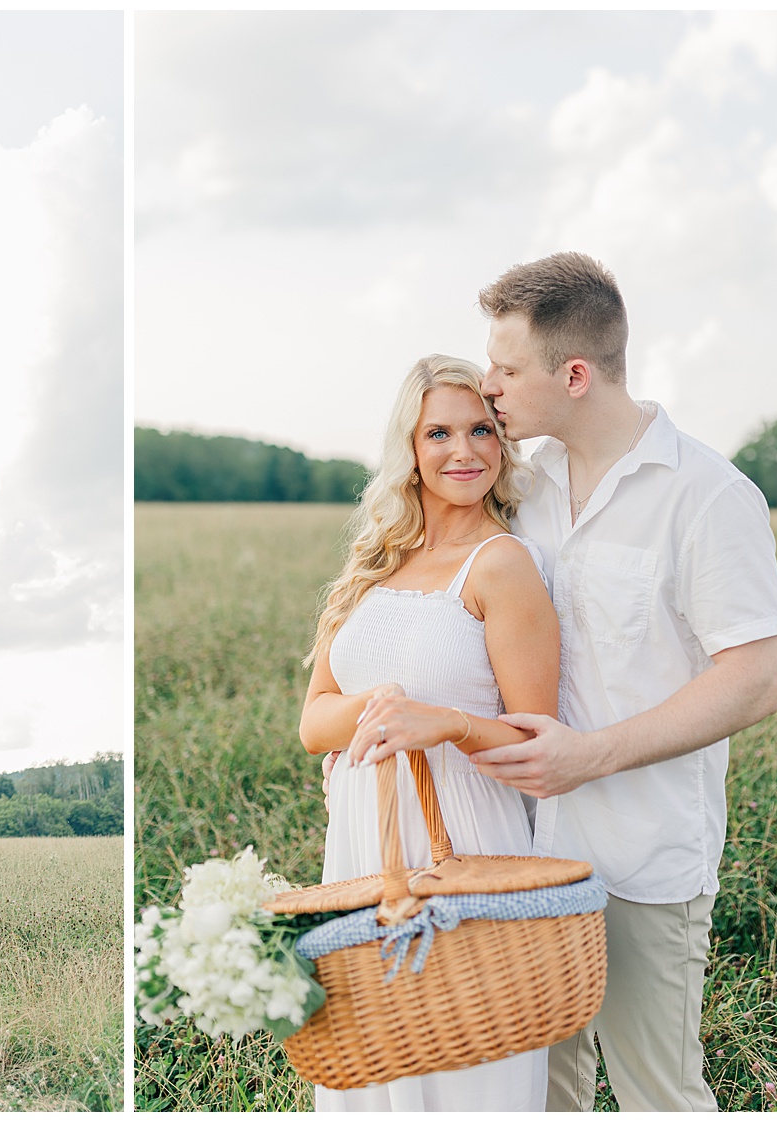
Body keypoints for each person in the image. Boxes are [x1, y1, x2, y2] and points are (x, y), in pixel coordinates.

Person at [469, 252, 777, 1111]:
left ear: (573, 374)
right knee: (542, 1093)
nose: (486, 386)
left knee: (658, 1097)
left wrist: (593, 757)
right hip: (527, 857)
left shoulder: (709, 496)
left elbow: (757, 680)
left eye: (504, 368)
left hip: (646, 863)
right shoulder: (522, 490)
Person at [299, 353, 562, 1112]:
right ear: (409, 450)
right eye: (439, 432)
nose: (465, 451)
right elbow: (315, 723)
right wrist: (384, 705)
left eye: (482, 429)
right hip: (364, 843)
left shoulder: (501, 565)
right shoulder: (368, 567)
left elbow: (534, 742)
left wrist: (443, 723)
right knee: (370, 1064)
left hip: (467, 841)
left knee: (466, 1063)